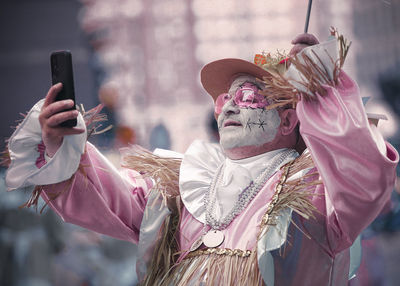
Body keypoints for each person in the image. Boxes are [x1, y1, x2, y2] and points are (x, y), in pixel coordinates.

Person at [5, 32, 398, 286]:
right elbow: (108, 199)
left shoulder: (315, 190)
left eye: (248, 95)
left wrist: (319, 87)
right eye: (226, 98)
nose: (228, 105)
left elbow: (363, 177)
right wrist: (63, 141)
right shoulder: (184, 185)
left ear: (288, 120)